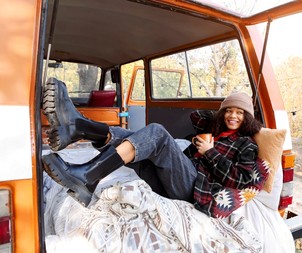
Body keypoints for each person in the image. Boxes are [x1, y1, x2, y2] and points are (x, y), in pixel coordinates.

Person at [42, 77, 269, 218]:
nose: (232, 115)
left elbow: (241, 181)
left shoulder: (245, 144)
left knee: (157, 133)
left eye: (240, 113)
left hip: (195, 191)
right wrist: (217, 121)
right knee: (138, 139)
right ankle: (78, 128)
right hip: (174, 182)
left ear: (247, 117)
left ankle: (87, 170)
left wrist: (210, 153)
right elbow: (196, 115)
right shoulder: (214, 131)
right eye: (229, 110)